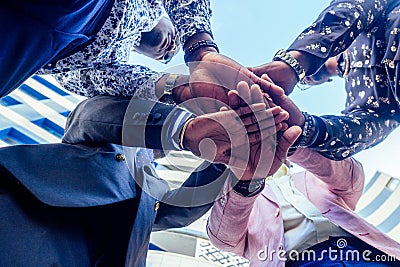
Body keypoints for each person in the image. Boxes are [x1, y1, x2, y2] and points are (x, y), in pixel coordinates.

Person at [249, 0, 400, 160]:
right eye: (303, 83)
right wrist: (304, 127)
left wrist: (297, 62)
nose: (306, 78)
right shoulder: (367, 101)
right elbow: (363, 130)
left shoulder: (372, 18)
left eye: (303, 76)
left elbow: (354, 8)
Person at [207, 147, 400, 266]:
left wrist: (294, 145)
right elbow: (223, 238)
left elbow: (352, 178)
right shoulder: (242, 197)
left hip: (365, 255)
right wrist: (246, 180)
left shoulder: (314, 176)